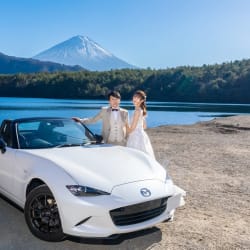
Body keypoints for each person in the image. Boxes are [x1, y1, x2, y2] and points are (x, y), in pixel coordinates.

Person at [126, 90, 155, 158]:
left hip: (135, 137)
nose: (135, 98)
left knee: (134, 156)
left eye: (137, 97)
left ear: (141, 100)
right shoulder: (141, 110)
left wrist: (125, 128)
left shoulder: (137, 111)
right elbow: (144, 126)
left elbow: (132, 128)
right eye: (134, 96)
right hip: (141, 136)